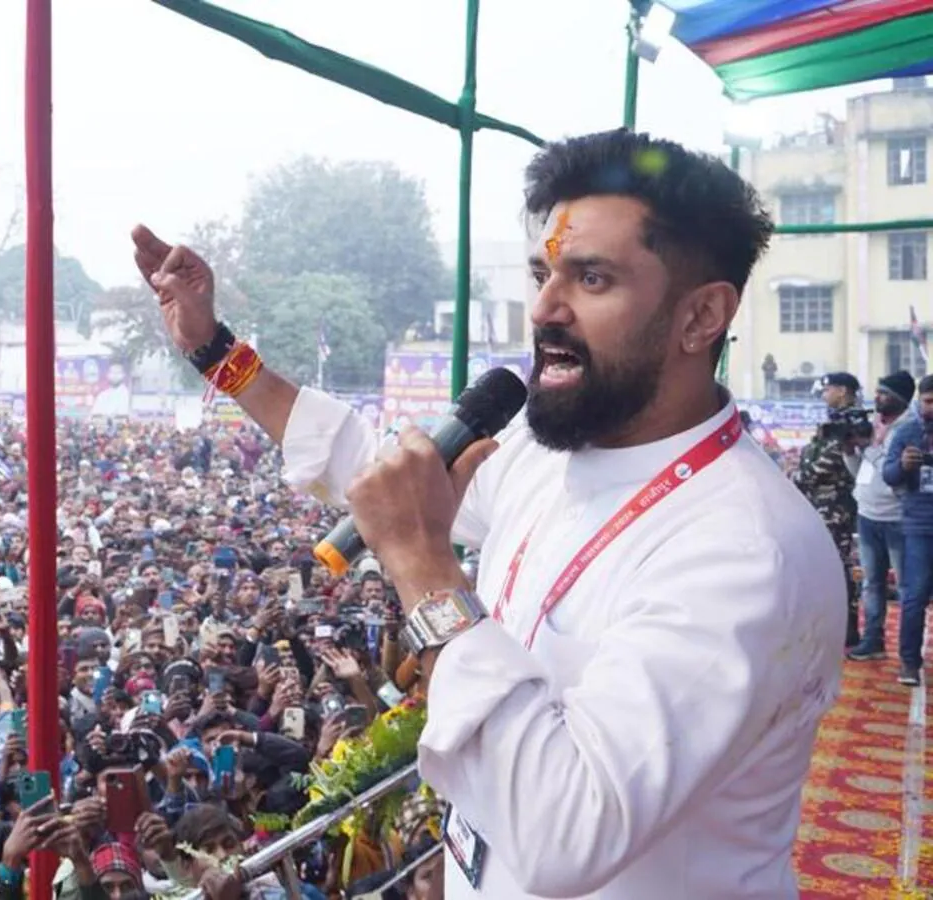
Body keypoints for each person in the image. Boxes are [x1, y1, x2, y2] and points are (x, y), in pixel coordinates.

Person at [131, 128, 842, 898]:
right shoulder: (546, 453)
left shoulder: (745, 551)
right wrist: (215, 352)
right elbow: (371, 461)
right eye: (543, 273)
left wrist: (420, 566)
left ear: (701, 316)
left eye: (591, 279)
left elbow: (566, 832)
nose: (544, 309)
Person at [792, 374, 871, 649]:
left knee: (837, 567)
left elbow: (834, 456)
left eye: (828, 390)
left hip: (835, 503)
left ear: (842, 391)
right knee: (825, 565)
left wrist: (799, 477)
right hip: (821, 503)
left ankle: (845, 629)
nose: (824, 395)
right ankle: (831, 627)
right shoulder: (836, 417)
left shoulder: (852, 420)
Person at [848, 370, 914, 661]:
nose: (877, 398)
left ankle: (909, 650)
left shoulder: (909, 430)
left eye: (884, 393)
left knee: (906, 585)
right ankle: (873, 640)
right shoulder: (873, 426)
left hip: (898, 518)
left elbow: (892, 474)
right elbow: (860, 473)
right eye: (877, 391)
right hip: (867, 514)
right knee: (872, 583)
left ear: (900, 399)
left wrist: (868, 448)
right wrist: (849, 450)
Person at [879, 375, 933, 686]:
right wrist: (903, 466)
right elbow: (889, 475)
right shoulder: (908, 432)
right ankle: (909, 662)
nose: (932, 408)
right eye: (928, 402)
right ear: (920, 402)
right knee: (914, 596)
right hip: (918, 526)